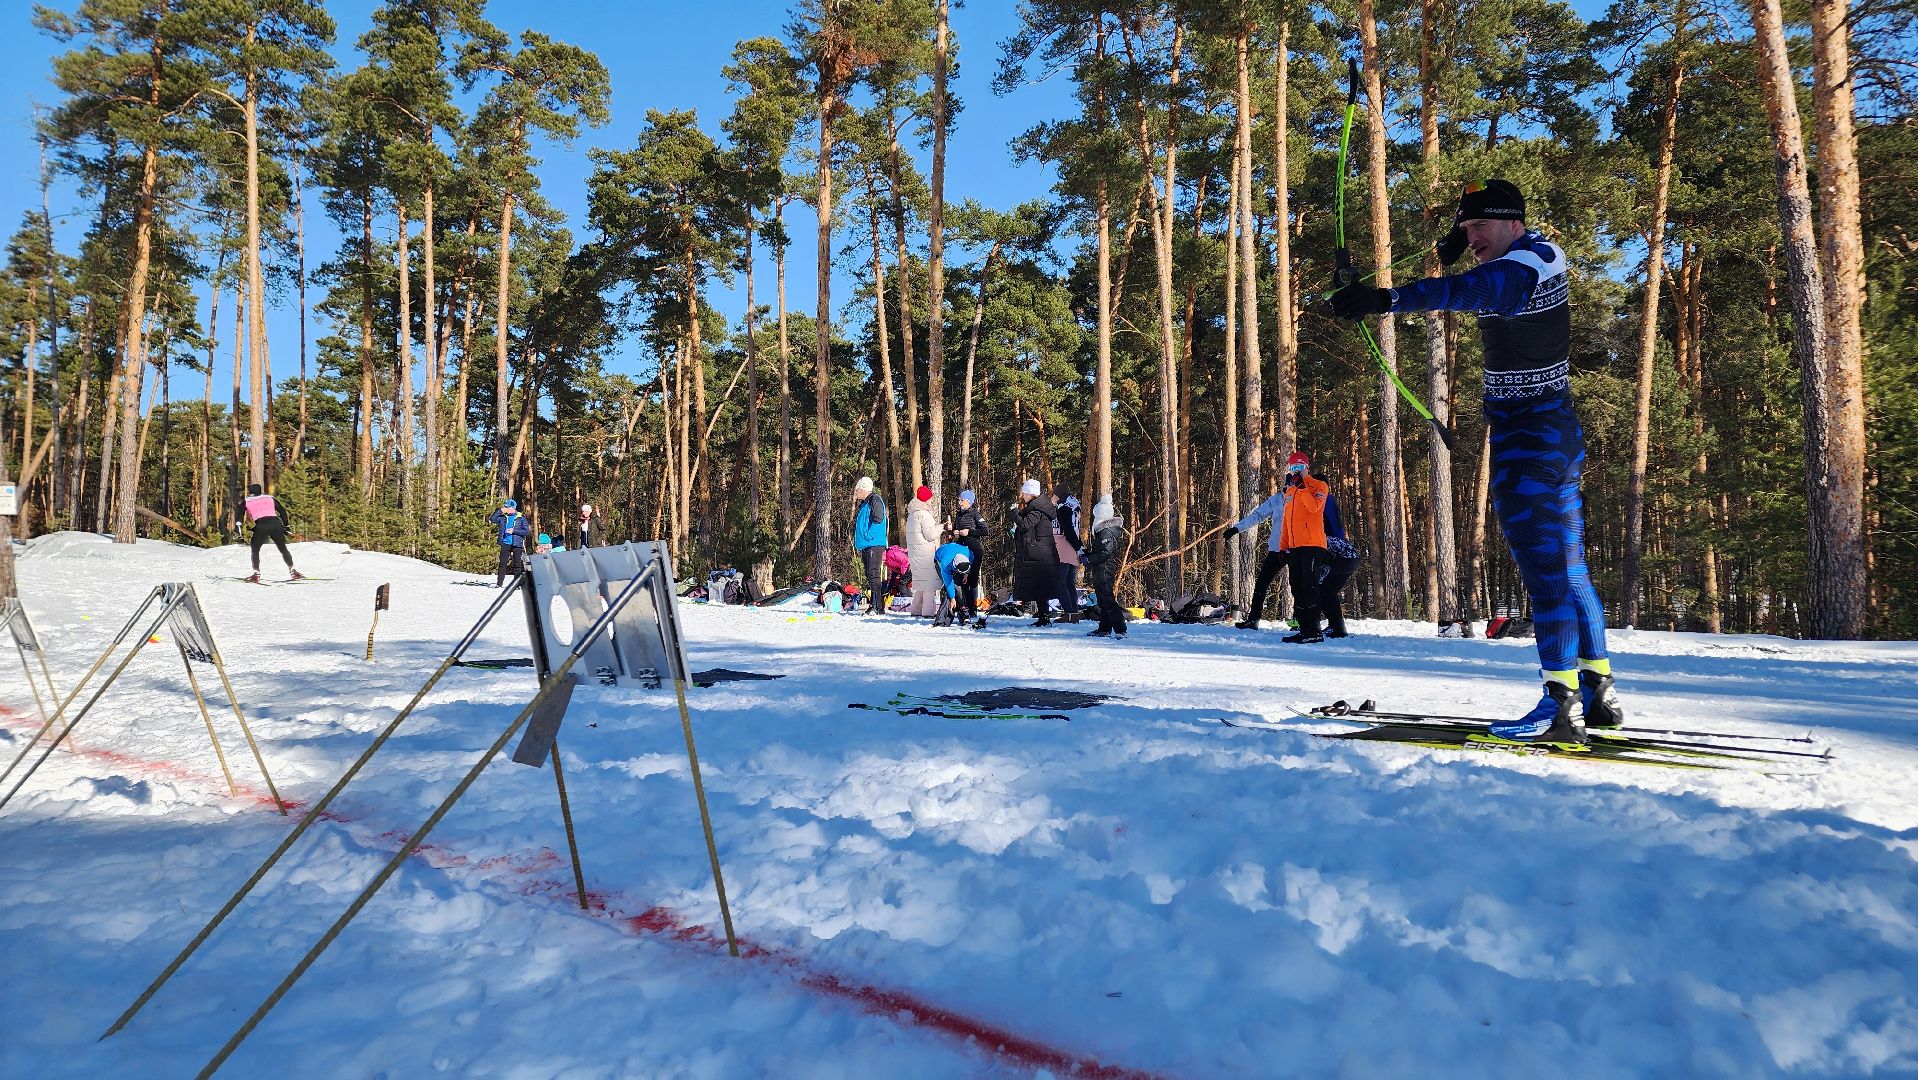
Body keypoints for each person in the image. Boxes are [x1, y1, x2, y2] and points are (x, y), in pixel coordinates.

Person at [1332, 178, 1621, 742]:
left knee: (1546, 573)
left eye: (1480, 228)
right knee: (1570, 566)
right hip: (1551, 435)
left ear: (1512, 222)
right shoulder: (1535, 251)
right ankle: (1598, 691)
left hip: (1530, 443)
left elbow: (1471, 291)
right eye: (1465, 230)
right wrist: (1457, 238)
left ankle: (1558, 705)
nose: (1472, 239)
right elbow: (1478, 265)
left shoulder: (1522, 269)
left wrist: (1383, 299)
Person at [1011, 479, 1061, 626]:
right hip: (1039, 553)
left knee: (1040, 587)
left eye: (1025, 492)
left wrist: (1014, 512)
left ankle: (1044, 617)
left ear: (1031, 494)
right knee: (1040, 587)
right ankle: (1043, 617)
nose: (1022, 495)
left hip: (1038, 554)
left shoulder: (1038, 509)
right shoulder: (1039, 506)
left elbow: (1025, 525)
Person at [1082, 495, 1127, 638]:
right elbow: (1101, 551)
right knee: (1102, 599)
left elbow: (1106, 552)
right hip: (1101, 567)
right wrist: (1087, 554)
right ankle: (1104, 628)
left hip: (1105, 568)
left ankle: (1120, 629)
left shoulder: (1106, 531)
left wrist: (1089, 559)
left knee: (1107, 598)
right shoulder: (1103, 532)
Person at [1317, 493, 1361, 638]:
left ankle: (1336, 627)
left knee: (1322, 589)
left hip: (1345, 559)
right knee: (1327, 591)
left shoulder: (1317, 539)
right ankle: (1337, 627)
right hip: (1351, 558)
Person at [240, 483, 302, 584]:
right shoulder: (270, 498)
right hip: (275, 523)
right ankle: (293, 570)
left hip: (260, 526)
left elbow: (239, 516)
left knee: (255, 549)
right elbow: (282, 511)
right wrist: (285, 526)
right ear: (260, 490)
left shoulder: (246, 501)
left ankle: (256, 573)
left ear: (250, 491)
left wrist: (238, 530)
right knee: (282, 548)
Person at [947, 489, 988, 627]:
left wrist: (969, 532)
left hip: (974, 549)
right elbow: (956, 531)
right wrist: (955, 533)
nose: (959, 503)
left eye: (961, 500)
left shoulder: (975, 514)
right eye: (959, 500)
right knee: (960, 578)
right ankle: (963, 608)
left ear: (968, 502)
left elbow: (985, 530)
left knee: (972, 579)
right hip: (961, 549)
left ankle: (973, 609)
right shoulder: (959, 514)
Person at [851, 476, 889, 614]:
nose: (856, 492)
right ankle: (875, 604)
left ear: (863, 489)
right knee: (869, 574)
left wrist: (867, 534)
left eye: (857, 489)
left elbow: (878, 517)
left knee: (874, 574)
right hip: (868, 543)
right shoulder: (866, 503)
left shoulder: (874, 499)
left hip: (873, 542)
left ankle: (877, 606)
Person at [905, 485, 942, 618]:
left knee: (921, 584)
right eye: (930, 498)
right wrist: (941, 527)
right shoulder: (924, 515)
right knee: (929, 585)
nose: (931, 501)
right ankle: (928, 612)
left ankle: (915, 609)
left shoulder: (912, 515)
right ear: (926, 499)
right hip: (926, 554)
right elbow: (930, 535)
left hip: (915, 554)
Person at [1051, 482, 1083, 622]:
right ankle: (1073, 612)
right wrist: (1078, 546)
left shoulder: (1063, 508)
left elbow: (1067, 528)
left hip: (1063, 545)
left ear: (1058, 495)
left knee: (1060, 581)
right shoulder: (1073, 505)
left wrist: (1077, 546)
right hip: (1071, 546)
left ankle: (1069, 612)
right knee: (1069, 581)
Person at [931, 536, 974, 627]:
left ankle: (962, 612)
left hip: (955, 552)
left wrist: (966, 574)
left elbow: (971, 561)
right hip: (939, 557)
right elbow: (949, 583)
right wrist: (952, 598)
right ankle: (943, 618)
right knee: (951, 587)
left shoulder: (969, 554)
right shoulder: (945, 563)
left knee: (959, 585)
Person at [488, 498, 532, 587]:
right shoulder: (503, 517)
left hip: (517, 544)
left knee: (517, 565)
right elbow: (492, 519)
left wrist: (514, 531)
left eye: (507, 507)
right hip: (505, 542)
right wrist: (500, 510)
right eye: (505, 507)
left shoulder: (521, 517)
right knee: (502, 564)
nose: (506, 509)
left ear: (513, 508)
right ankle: (499, 583)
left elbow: (526, 532)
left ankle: (516, 585)